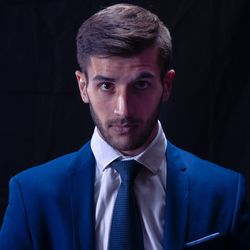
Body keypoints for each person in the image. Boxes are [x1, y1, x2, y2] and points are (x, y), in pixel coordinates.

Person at [0, 3, 249, 250]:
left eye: (141, 85)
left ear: (167, 84)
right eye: (106, 86)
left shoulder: (226, 192)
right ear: (82, 86)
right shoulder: (31, 196)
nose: (123, 110)